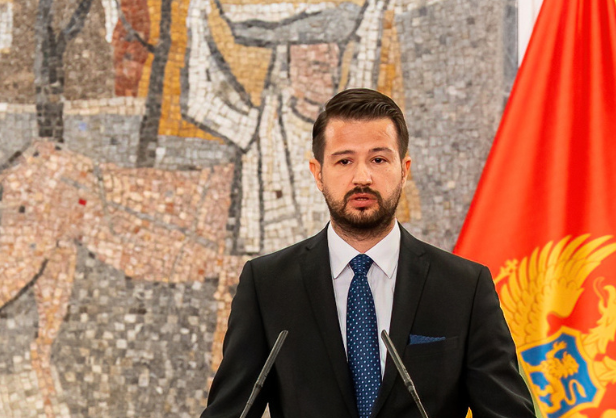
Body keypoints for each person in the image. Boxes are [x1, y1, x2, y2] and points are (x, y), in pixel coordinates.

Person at [200, 89, 535, 418]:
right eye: (344, 161)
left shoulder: (464, 287)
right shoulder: (267, 285)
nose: (362, 177)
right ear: (318, 173)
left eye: (378, 159)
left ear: (404, 169)